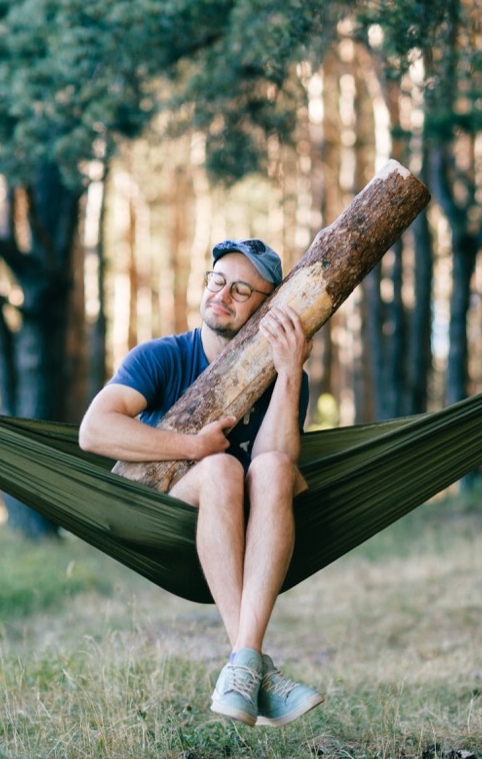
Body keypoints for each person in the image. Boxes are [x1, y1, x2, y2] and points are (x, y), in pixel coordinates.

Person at [78, 238, 324, 727]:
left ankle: (244, 667)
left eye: (241, 289)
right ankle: (253, 662)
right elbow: (93, 430)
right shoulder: (161, 357)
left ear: (265, 307)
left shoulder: (285, 370)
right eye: (217, 281)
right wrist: (193, 448)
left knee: (274, 468)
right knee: (221, 467)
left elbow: (281, 457)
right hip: (167, 512)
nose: (222, 294)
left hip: (249, 518)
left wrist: (290, 372)